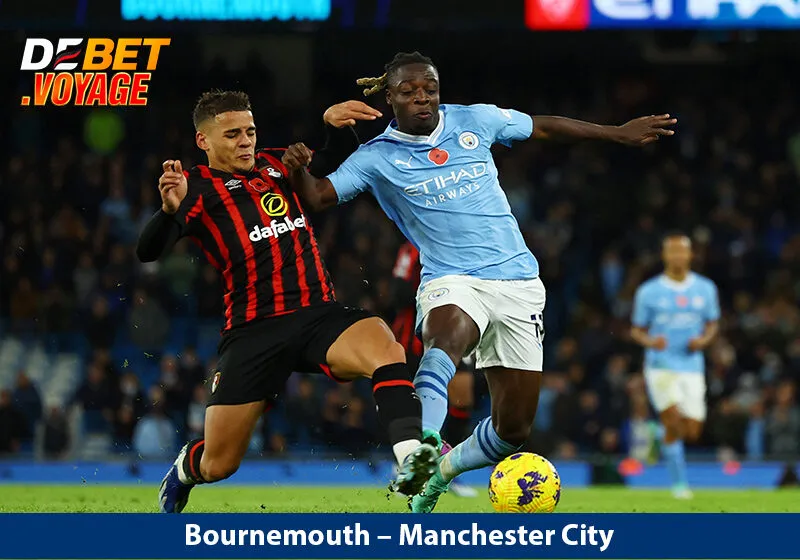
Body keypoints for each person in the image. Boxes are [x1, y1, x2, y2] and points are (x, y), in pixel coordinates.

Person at [281, 51, 676, 512]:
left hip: (518, 283)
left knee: (513, 429)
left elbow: (543, 126)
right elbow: (318, 197)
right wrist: (298, 169)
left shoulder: (476, 120)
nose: (422, 98)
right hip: (451, 278)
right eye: (408, 91)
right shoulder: (376, 158)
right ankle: (422, 447)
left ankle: (441, 472)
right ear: (390, 98)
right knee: (445, 338)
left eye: (429, 88)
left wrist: (616, 133)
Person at [137, 90, 437, 514]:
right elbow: (148, 251)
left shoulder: (277, 163)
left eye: (250, 131)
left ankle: (411, 460)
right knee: (218, 464)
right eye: (233, 134)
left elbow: (331, 161)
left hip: (317, 315)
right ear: (203, 141)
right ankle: (186, 469)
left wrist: (334, 126)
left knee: (385, 347)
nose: (246, 141)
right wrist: (168, 212)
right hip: (253, 332)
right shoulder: (195, 188)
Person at [630, 233, 719, 499]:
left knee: (692, 430)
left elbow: (712, 324)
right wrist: (651, 341)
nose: (678, 256)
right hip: (661, 365)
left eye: (682, 251)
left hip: (691, 365)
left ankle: (656, 434)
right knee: (672, 420)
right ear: (664, 255)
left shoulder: (705, 289)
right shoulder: (648, 292)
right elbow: (636, 330)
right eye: (673, 251)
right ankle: (680, 485)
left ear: (690, 255)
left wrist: (703, 341)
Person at [390, 240, 478, 498]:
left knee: (462, 397)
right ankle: (407, 463)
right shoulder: (412, 248)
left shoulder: (466, 243)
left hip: (458, 325)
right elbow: (397, 292)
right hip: (415, 335)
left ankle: (448, 469)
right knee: (415, 399)